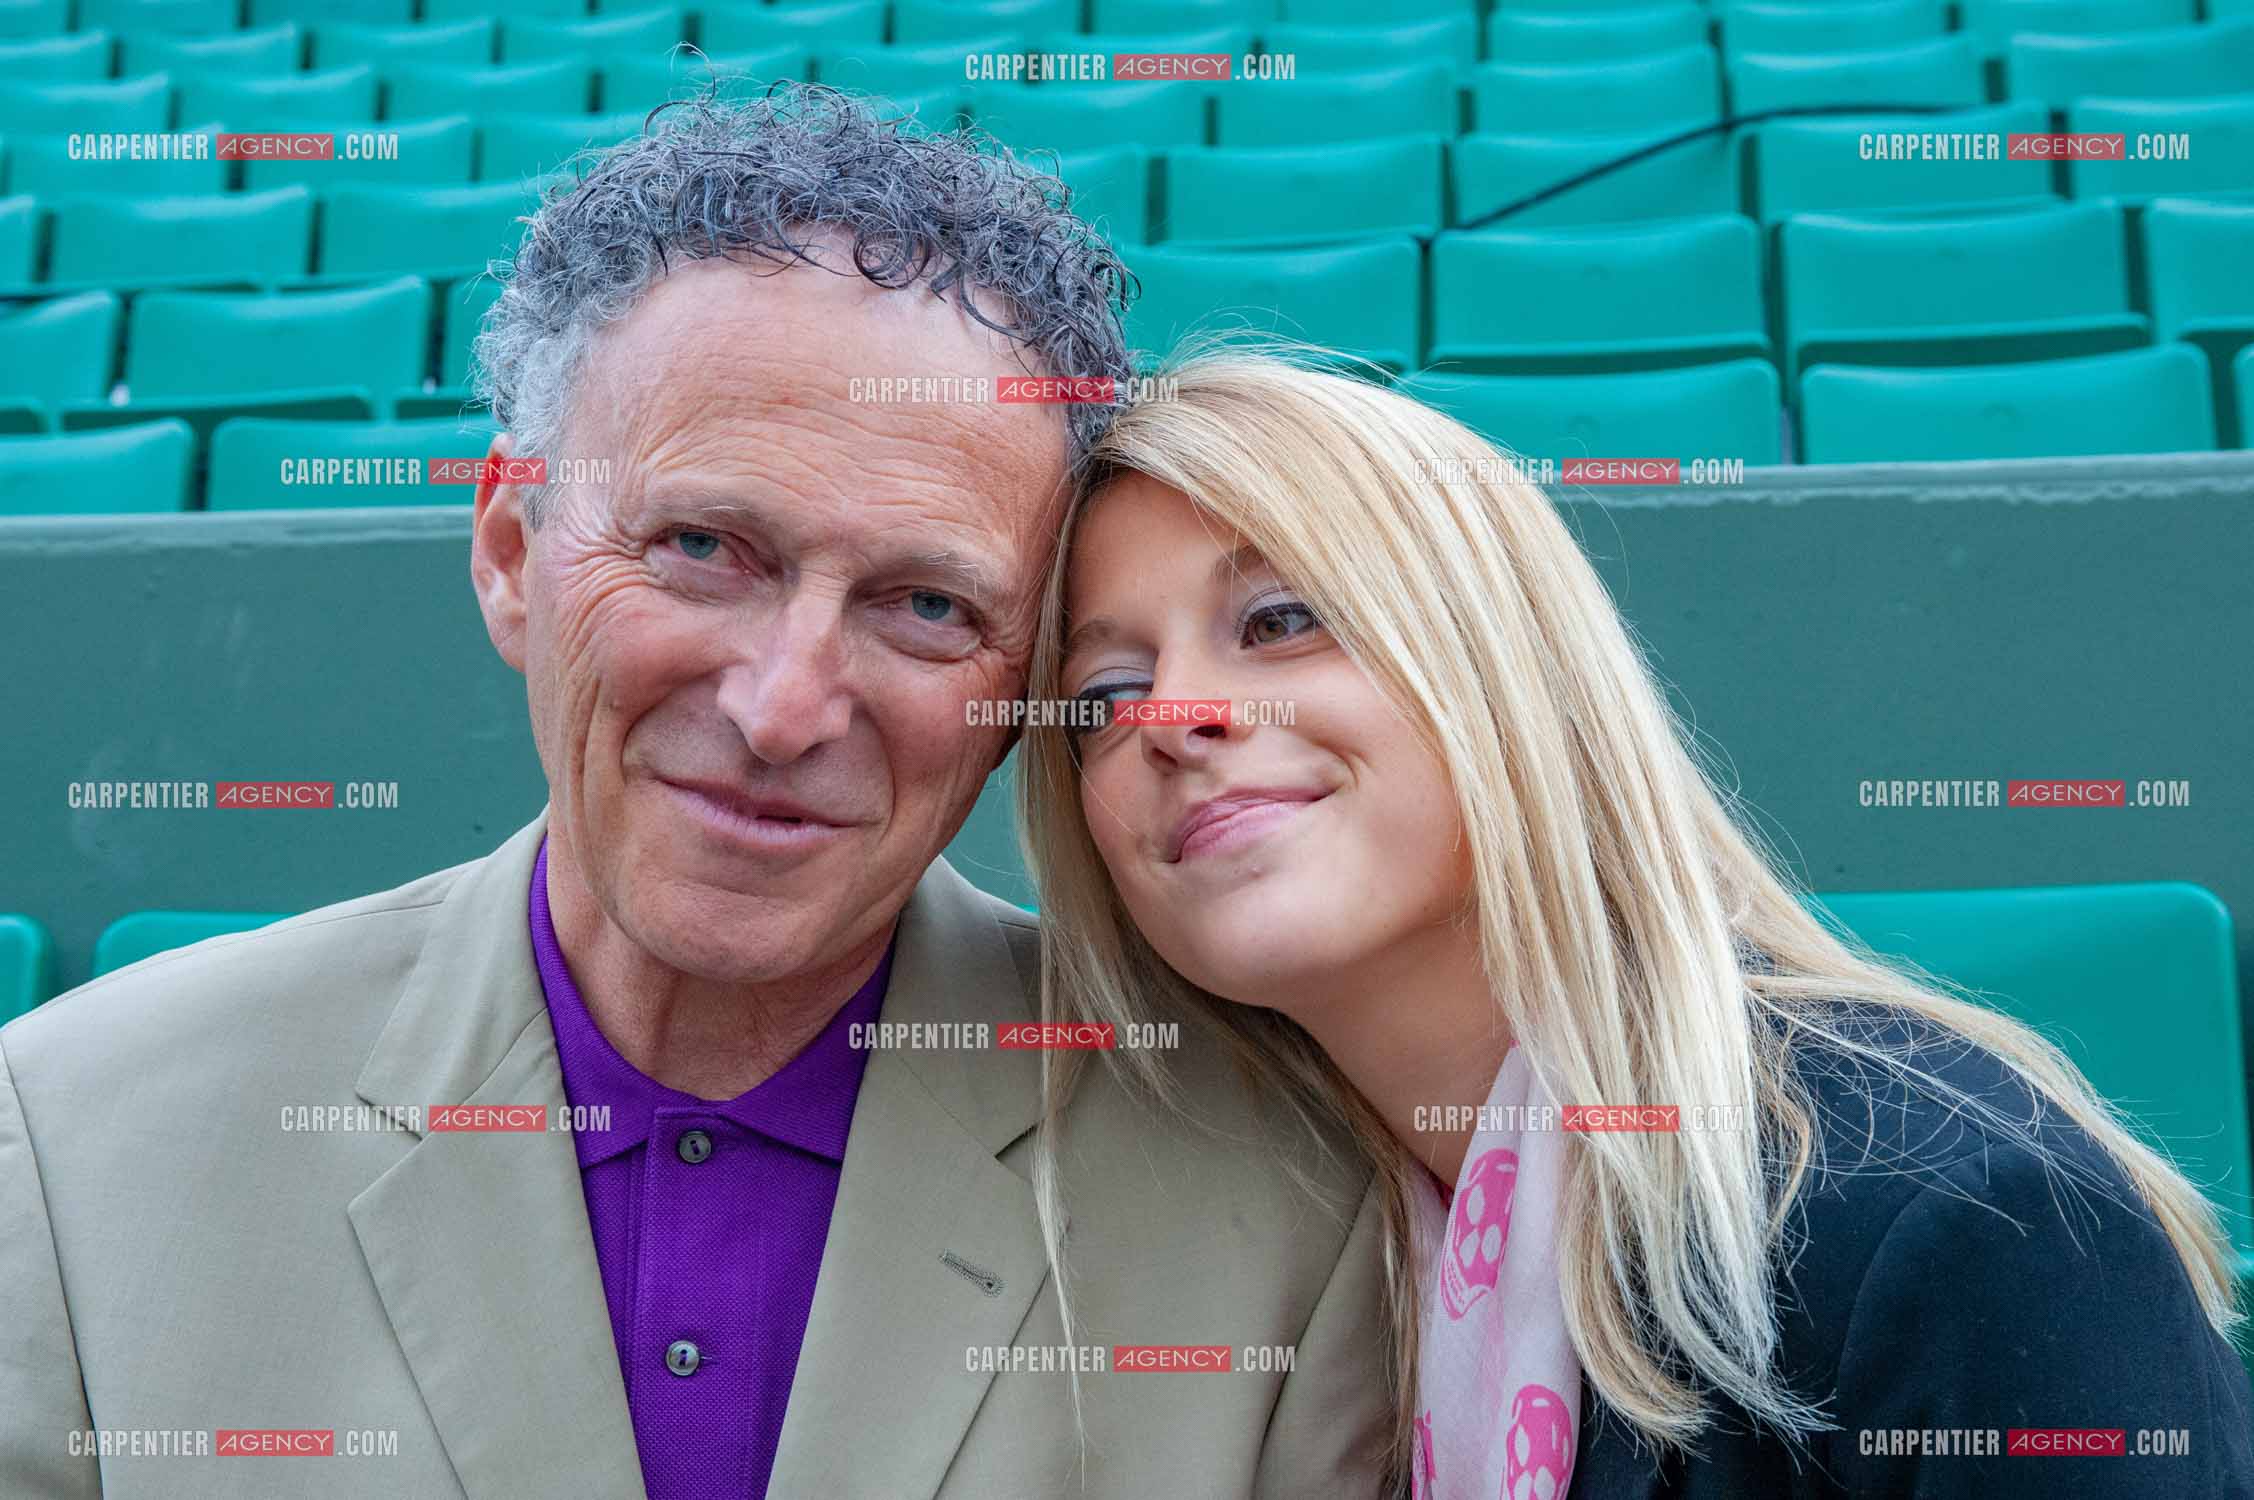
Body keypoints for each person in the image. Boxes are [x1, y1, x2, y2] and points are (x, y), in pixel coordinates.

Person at [0, 96, 1392, 1499]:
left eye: (925, 603)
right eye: (703, 546)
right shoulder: (74, 1141)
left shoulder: (1285, 1191)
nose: (784, 708)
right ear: (507, 549)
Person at [1015, 346, 2254, 1499]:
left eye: (1279, 620)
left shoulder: (1959, 1232)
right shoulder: (1297, 1267)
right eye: (1104, 694)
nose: (1172, 714)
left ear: (1506, 664)